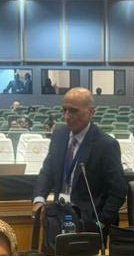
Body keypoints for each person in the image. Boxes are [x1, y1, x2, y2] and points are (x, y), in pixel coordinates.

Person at [32, 88, 127, 233]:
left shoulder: (106, 144)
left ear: (91, 112)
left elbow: (118, 190)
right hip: (58, 217)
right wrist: (39, 199)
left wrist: (100, 223)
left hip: (88, 224)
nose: (67, 116)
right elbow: (48, 171)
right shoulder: (59, 135)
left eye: (74, 111)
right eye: (64, 110)